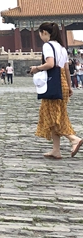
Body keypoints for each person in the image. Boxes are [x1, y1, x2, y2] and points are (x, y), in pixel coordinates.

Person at [29, 22, 83, 159]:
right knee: (56, 114)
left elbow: (50, 64)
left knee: (52, 117)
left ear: (44, 32)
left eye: (40, 33)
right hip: (62, 82)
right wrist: (69, 87)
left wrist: (36, 68)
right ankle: (56, 150)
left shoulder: (48, 46)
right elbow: (66, 69)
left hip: (53, 84)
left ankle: (74, 139)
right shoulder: (62, 48)